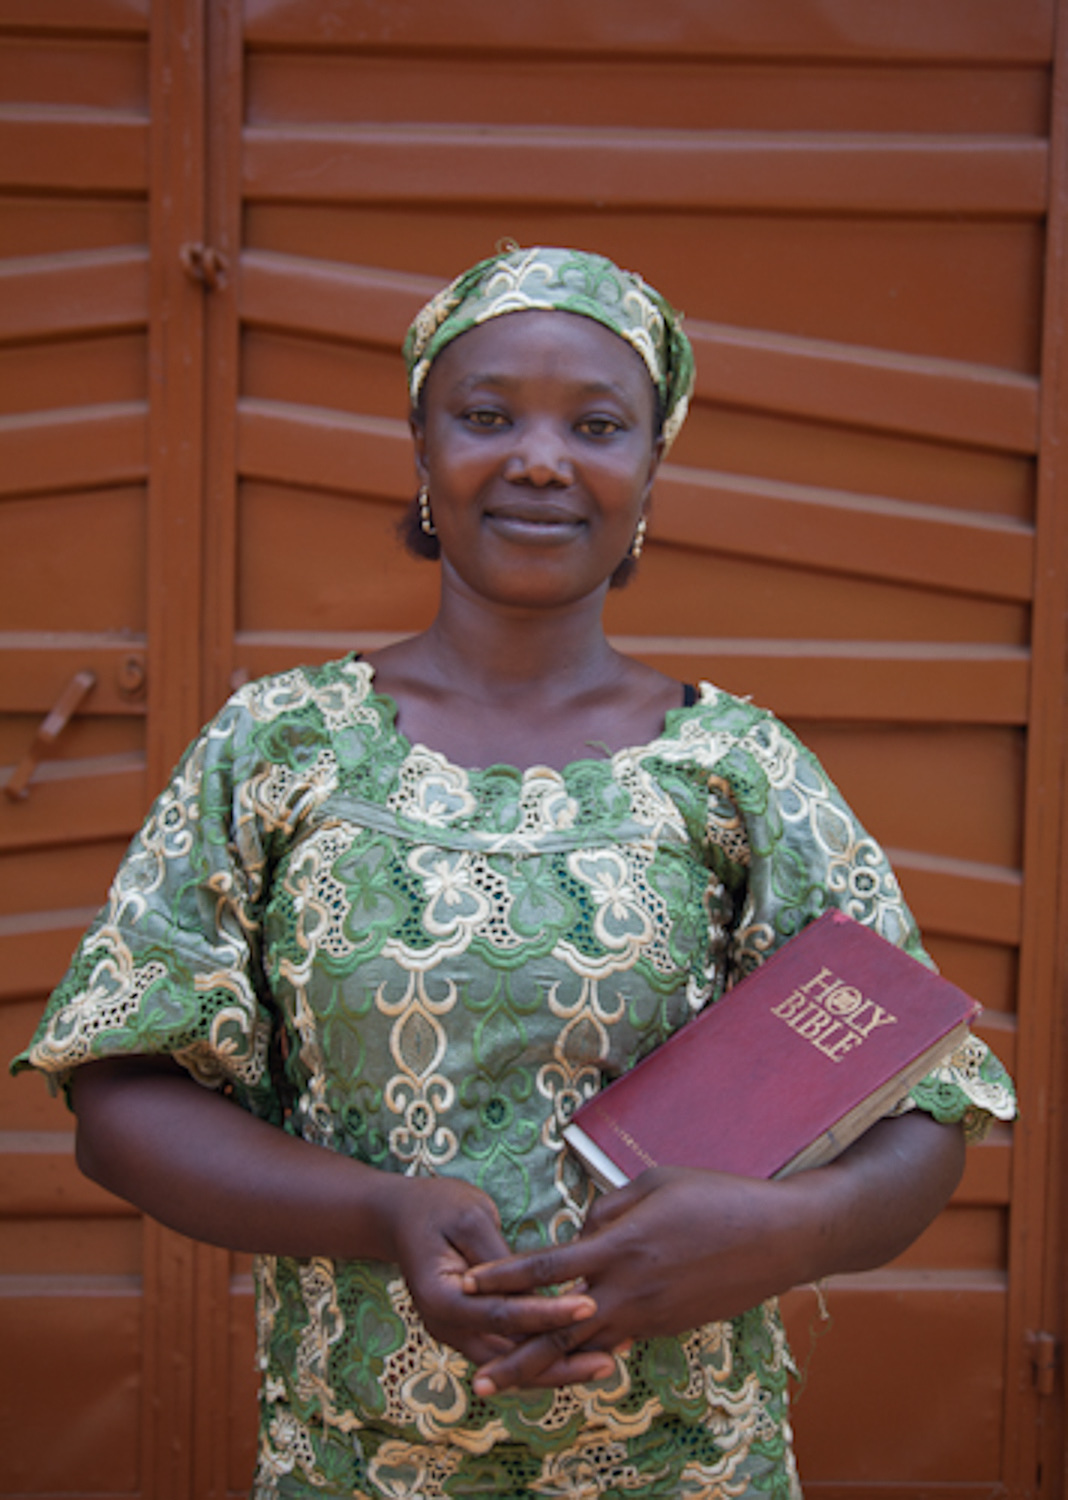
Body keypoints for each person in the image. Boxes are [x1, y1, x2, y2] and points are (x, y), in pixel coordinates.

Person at [13, 246, 1015, 1500]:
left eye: (598, 425)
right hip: (355, 1469)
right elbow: (121, 1097)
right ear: (422, 446)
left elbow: (926, 1104)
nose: (541, 458)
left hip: (692, 1473)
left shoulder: (741, 772)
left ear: (651, 468)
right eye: (488, 417)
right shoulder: (280, 748)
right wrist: (379, 1215)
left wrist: (781, 1232)